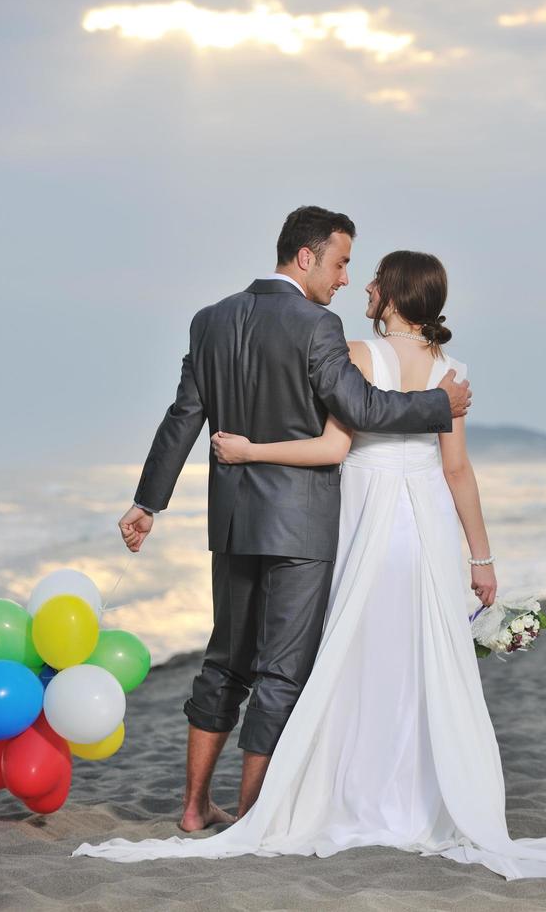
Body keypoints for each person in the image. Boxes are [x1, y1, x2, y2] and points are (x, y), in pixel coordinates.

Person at [74, 250, 546, 882]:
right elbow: (458, 472)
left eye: (369, 279)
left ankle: (267, 799)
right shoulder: (452, 371)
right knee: (415, 660)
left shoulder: (357, 351)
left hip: (367, 522)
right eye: (346, 265)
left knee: (337, 657)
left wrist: (248, 450)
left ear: (391, 297)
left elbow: (341, 439)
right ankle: (408, 797)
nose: (356, 283)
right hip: (426, 529)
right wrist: (481, 557)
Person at [110, 208, 470, 834]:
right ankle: (253, 816)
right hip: (300, 525)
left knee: (224, 660)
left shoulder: (210, 319)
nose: (343, 278)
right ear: (306, 257)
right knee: (281, 669)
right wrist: (438, 402)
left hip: (231, 521)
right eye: (339, 262)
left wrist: (148, 504)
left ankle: (194, 809)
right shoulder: (317, 325)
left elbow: (182, 417)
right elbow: (359, 406)